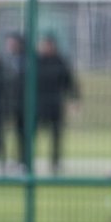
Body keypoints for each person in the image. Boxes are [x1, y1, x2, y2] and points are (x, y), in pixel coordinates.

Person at [35, 33, 80, 174]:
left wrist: (75, 99)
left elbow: (69, 82)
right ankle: (27, 160)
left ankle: (55, 162)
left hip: (55, 105)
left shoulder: (60, 62)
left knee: (56, 136)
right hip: (39, 105)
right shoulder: (36, 61)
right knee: (32, 134)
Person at [2, 33, 31, 172]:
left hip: (26, 105)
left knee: (25, 134)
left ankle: (25, 160)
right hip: (13, 104)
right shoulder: (10, 61)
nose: (9, 46)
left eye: (12, 43)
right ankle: (18, 159)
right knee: (17, 133)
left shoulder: (27, 61)